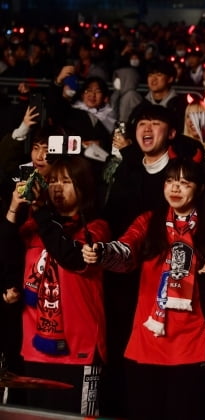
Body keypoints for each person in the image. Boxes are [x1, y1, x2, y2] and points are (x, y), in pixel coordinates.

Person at [82, 157, 205, 420]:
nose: (175, 188)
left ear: (201, 188)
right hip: (147, 340)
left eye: (184, 182)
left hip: (191, 343)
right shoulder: (149, 221)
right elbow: (126, 250)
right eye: (171, 180)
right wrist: (103, 252)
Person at [0, 156, 110, 416]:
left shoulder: (95, 229)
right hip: (36, 347)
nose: (58, 188)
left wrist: (40, 213)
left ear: (83, 186)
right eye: (52, 181)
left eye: (66, 181)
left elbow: (69, 256)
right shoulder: (34, 225)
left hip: (79, 350)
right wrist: (15, 207)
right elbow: (5, 252)